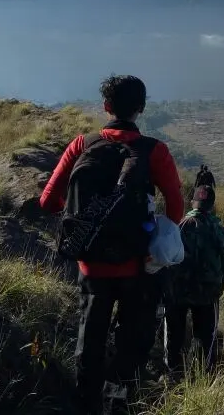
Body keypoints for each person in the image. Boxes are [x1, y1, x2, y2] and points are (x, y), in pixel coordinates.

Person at [40, 75, 184, 414]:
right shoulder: (154, 151)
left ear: (106, 107)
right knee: (132, 340)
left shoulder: (82, 145)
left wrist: (86, 220)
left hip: (91, 264)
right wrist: (152, 238)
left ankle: (86, 403)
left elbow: (47, 201)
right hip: (137, 264)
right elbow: (176, 208)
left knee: (89, 339)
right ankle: (119, 399)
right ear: (141, 109)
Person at [163, 174, 224, 380]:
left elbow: (165, 253)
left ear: (193, 203)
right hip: (207, 292)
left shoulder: (179, 224)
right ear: (211, 205)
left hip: (176, 290)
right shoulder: (217, 229)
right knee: (205, 336)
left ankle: (173, 372)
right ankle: (200, 376)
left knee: (174, 332)